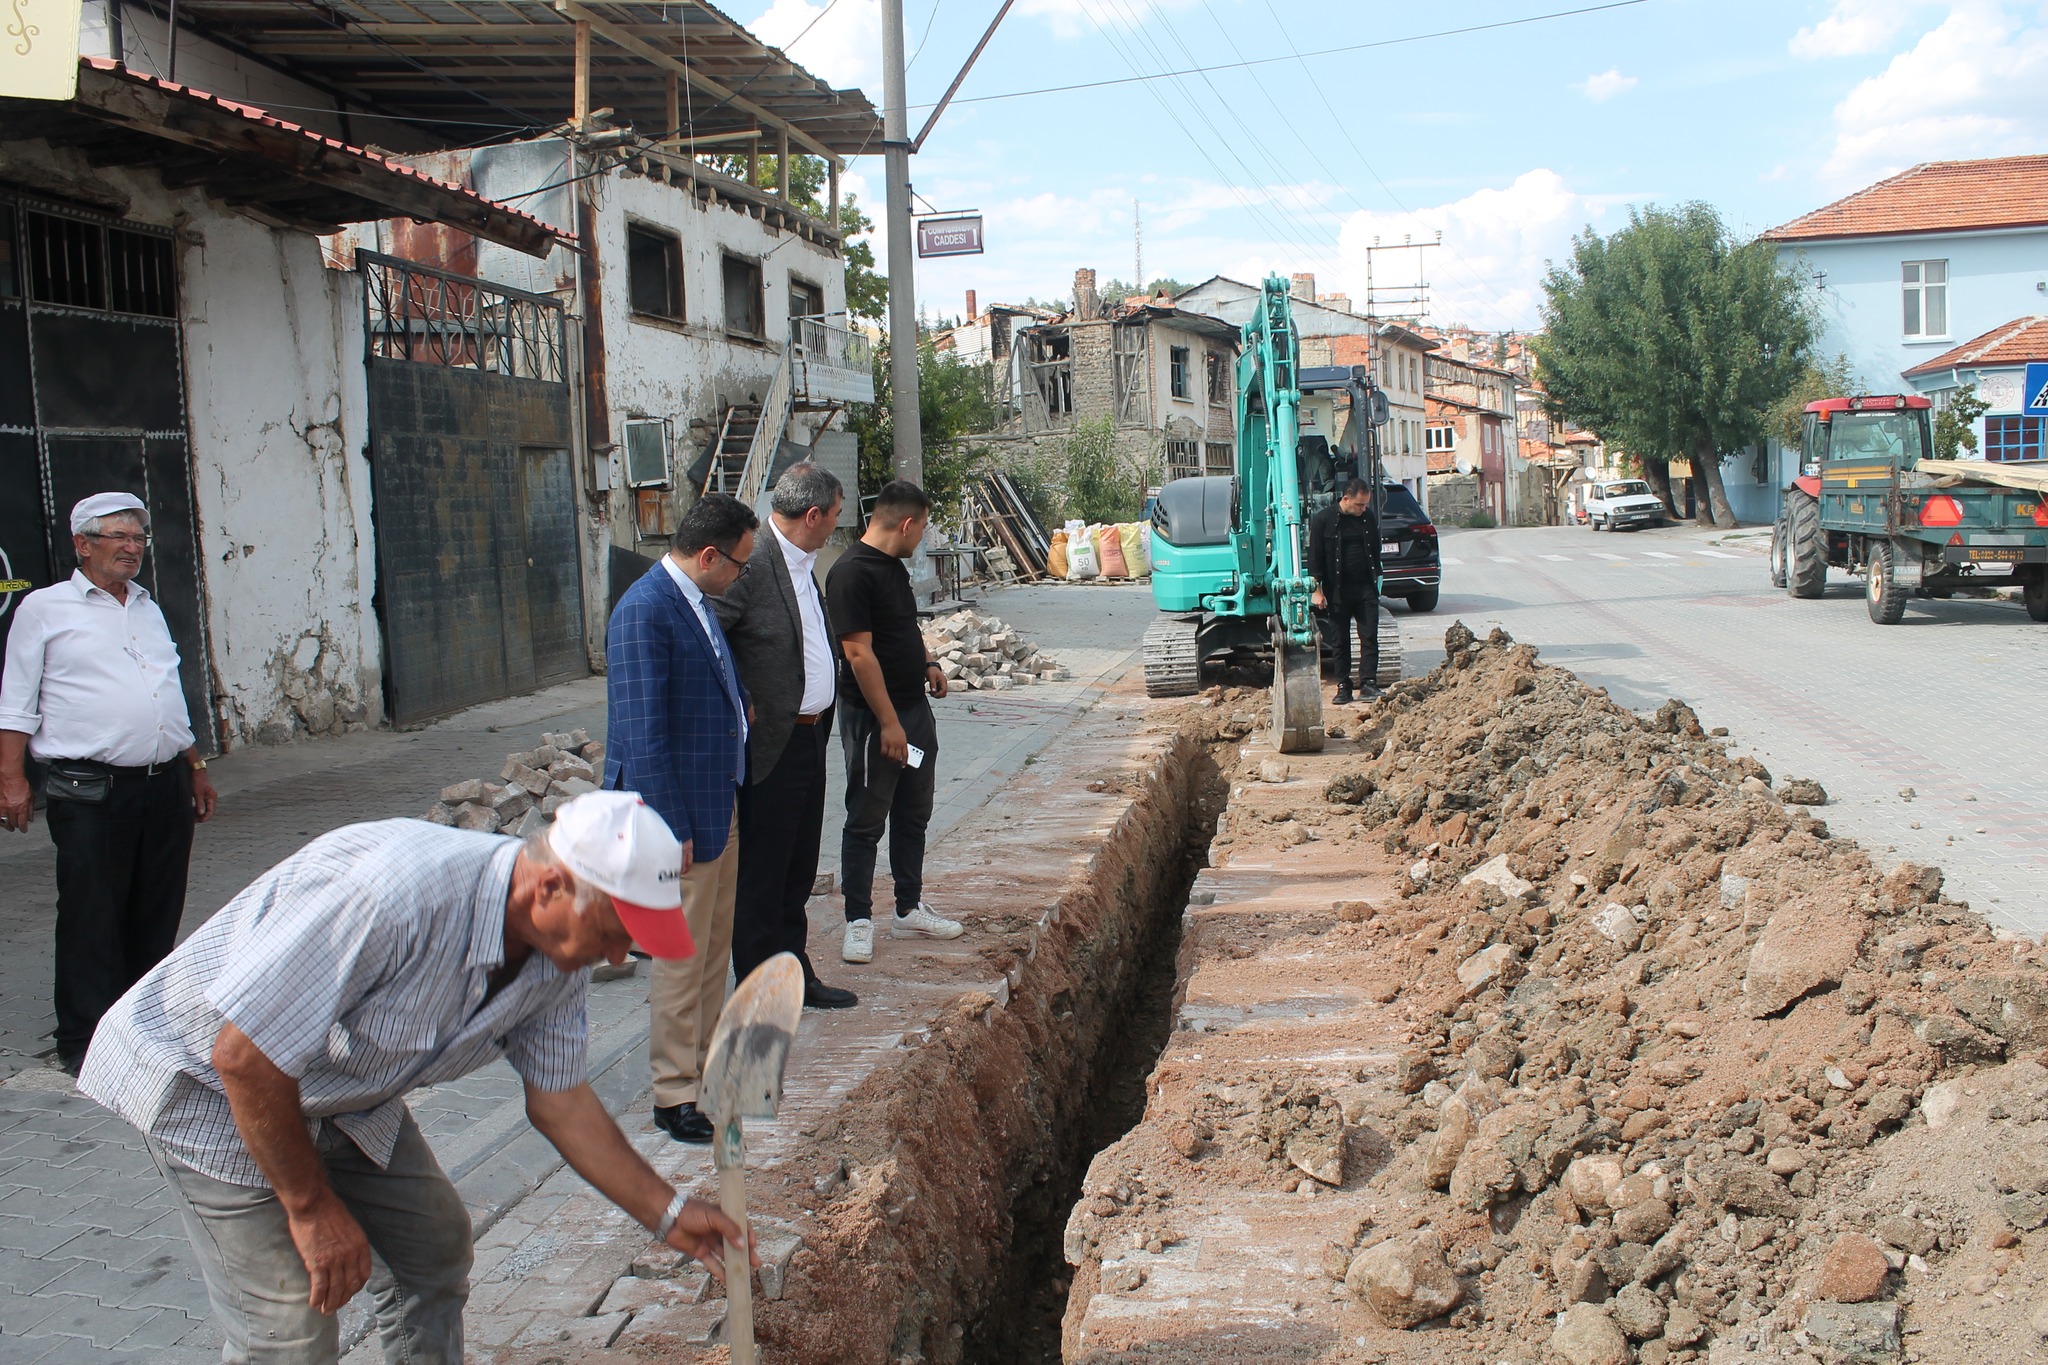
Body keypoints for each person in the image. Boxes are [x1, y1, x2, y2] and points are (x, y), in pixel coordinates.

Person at [77, 791, 754, 1365]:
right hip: (212, 1089)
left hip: (339, 1091)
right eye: (614, 929)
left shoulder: (556, 960)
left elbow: (563, 1104)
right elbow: (244, 1057)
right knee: (289, 1326)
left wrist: (668, 1213)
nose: (618, 953)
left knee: (433, 1247)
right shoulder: (394, 896)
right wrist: (311, 1209)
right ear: (551, 887)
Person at [0, 492, 219, 1075]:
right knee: (92, 913)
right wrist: (11, 778)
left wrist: (195, 765)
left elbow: (165, 694)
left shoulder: (147, 607)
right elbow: (16, 701)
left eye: (138, 538)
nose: (131, 548)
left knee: (156, 910)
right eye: (117, 537)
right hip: (89, 791)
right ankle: (85, 1041)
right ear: (82, 544)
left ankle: (142, 1029)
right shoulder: (44, 609)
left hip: (163, 784)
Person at [605, 492, 755, 1144]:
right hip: (680, 813)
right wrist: (671, 825)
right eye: (740, 564)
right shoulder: (645, 610)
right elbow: (642, 733)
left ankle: (702, 1067)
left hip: (717, 798)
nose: (742, 576)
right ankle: (673, 1092)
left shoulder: (696, 601)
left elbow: (715, 679)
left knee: (713, 949)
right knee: (680, 955)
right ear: (709, 555)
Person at [711, 463, 859, 1011]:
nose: (839, 524)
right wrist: (739, 697)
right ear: (813, 515)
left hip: (811, 737)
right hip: (770, 744)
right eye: (836, 515)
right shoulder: (752, 561)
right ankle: (756, 991)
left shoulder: (804, 563)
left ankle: (795, 972)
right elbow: (710, 634)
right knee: (764, 872)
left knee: (798, 866)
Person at [826, 479, 963, 965]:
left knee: (913, 812)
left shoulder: (892, 569)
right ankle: (858, 920)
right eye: (921, 528)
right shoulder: (850, 574)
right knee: (867, 818)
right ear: (906, 524)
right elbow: (858, 654)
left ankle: (908, 909)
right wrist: (888, 724)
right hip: (873, 719)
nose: (921, 537)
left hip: (913, 710)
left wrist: (928, 663)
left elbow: (904, 628)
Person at [1308, 477, 1383, 704]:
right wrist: (1317, 590)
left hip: (1365, 587)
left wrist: (1377, 579)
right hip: (1337, 589)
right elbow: (1315, 557)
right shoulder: (1324, 520)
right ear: (1346, 499)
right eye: (1359, 504)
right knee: (1339, 639)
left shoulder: (1367, 518)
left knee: (1369, 635)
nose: (1363, 509)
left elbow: (1375, 549)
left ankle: (1368, 683)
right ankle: (1343, 686)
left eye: (1365, 504)